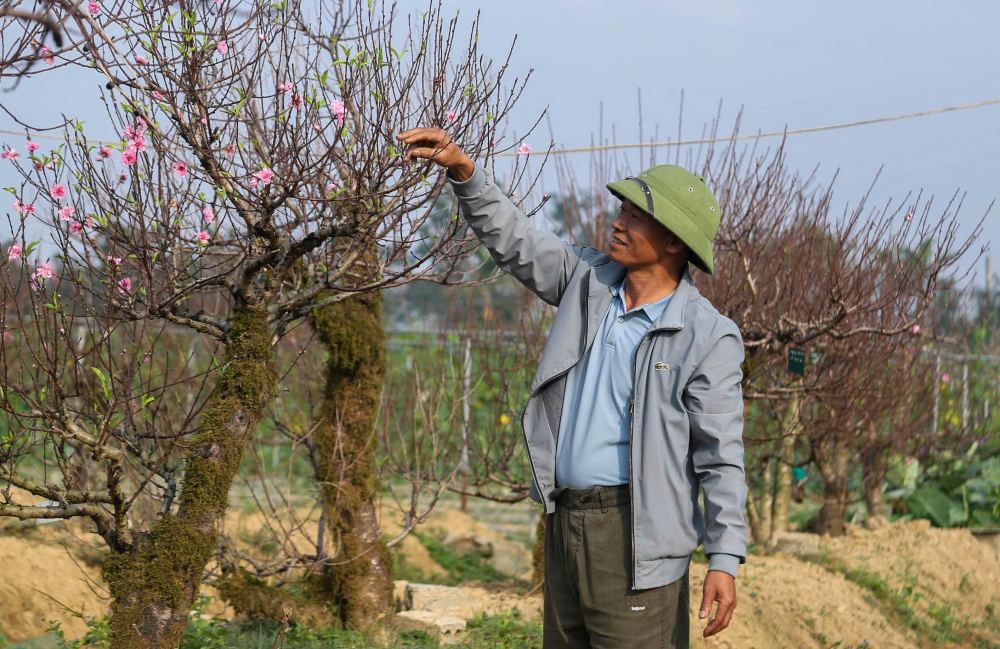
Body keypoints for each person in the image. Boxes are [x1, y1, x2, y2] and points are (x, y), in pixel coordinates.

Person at [397, 127, 747, 648]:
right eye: (622, 210)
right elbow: (516, 240)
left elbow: (720, 456)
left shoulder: (706, 335)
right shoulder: (588, 281)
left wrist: (724, 558)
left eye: (635, 217)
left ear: (674, 241)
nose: (618, 222)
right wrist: (464, 173)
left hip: (638, 536)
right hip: (565, 519)